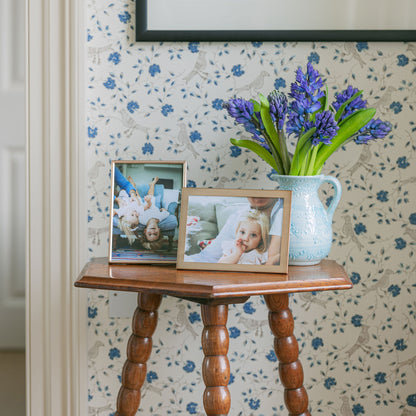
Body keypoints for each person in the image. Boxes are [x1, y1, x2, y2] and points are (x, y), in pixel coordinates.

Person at [185, 197, 283, 265]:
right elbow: (220, 264)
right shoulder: (231, 248)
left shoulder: (260, 254)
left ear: (261, 239)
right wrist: (237, 254)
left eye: (253, 235)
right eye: (242, 232)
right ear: (236, 232)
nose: (245, 238)